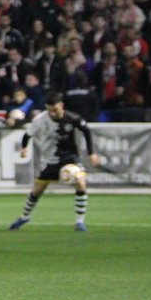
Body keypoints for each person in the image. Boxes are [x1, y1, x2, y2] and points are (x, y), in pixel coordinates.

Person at [10, 92, 98, 232]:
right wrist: (24, 148)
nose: (52, 113)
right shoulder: (40, 120)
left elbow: (86, 131)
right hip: (51, 160)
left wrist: (91, 153)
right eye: (49, 110)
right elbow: (27, 135)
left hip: (70, 157)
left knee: (81, 182)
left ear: (61, 105)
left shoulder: (73, 118)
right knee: (38, 189)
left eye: (55, 109)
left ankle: (79, 222)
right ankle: (24, 216)